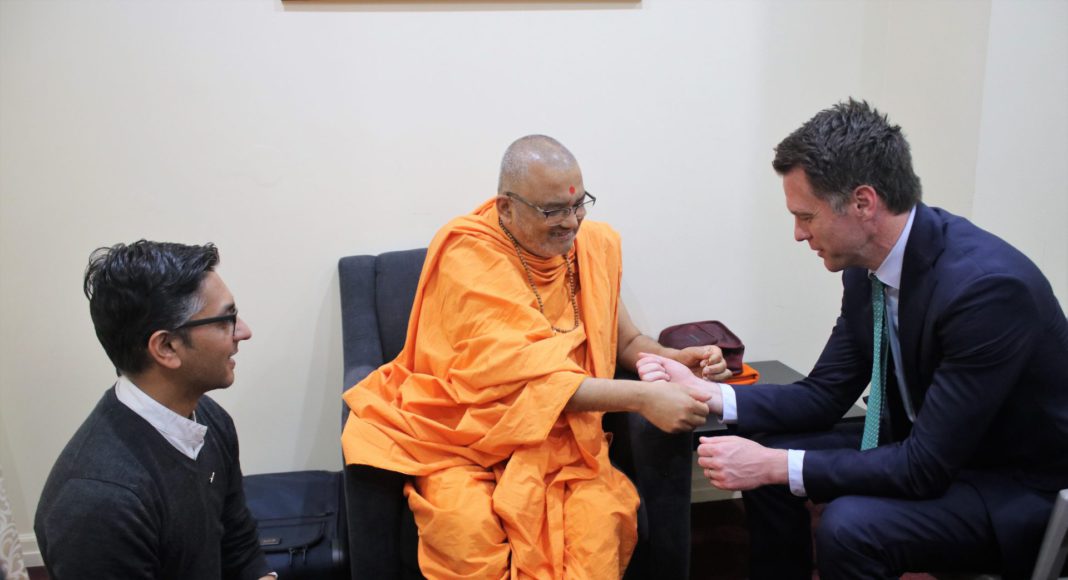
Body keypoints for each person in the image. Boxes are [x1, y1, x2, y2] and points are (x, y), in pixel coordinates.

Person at [639, 100, 1068, 579]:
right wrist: (709, 394)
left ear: (863, 203)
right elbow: (824, 394)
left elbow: (924, 467)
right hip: (930, 448)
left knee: (849, 525)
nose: (799, 234)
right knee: (762, 442)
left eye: (807, 216)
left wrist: (776, 466)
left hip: (1010, 487)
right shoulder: (869, 271)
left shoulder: (985, 289)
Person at [342, 134, 730, 578]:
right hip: (463, 438)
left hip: (563, 441)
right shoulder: (469, 256)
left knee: (596, 526)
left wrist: (672, 357)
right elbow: (530, 380)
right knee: (463, 532)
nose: (571, 222)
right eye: (553, 211)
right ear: (506, 207)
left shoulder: (590, 247)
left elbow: (623, 342)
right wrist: (642, 398)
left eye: (579, 204)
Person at [35, 241, 274, 580]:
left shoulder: (209, 420)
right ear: (166, 347)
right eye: (227, 319)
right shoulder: (99, 503)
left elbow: (239, 549)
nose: (244, 332)